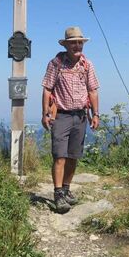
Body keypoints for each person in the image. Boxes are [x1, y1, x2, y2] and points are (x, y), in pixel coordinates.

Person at [41, 26, 100, 214]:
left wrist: (96, 114)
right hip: (61, 115)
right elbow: (47, 89)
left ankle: (66, 189)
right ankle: (58, 194)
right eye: (73, 42)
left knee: (74, 156)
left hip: (81, 115)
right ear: (66, 44)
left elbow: (92, 90)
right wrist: (45, 113)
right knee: (60, 156)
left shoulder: (87, 65)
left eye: (80, 42)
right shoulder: (56, 63)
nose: (77, 45)